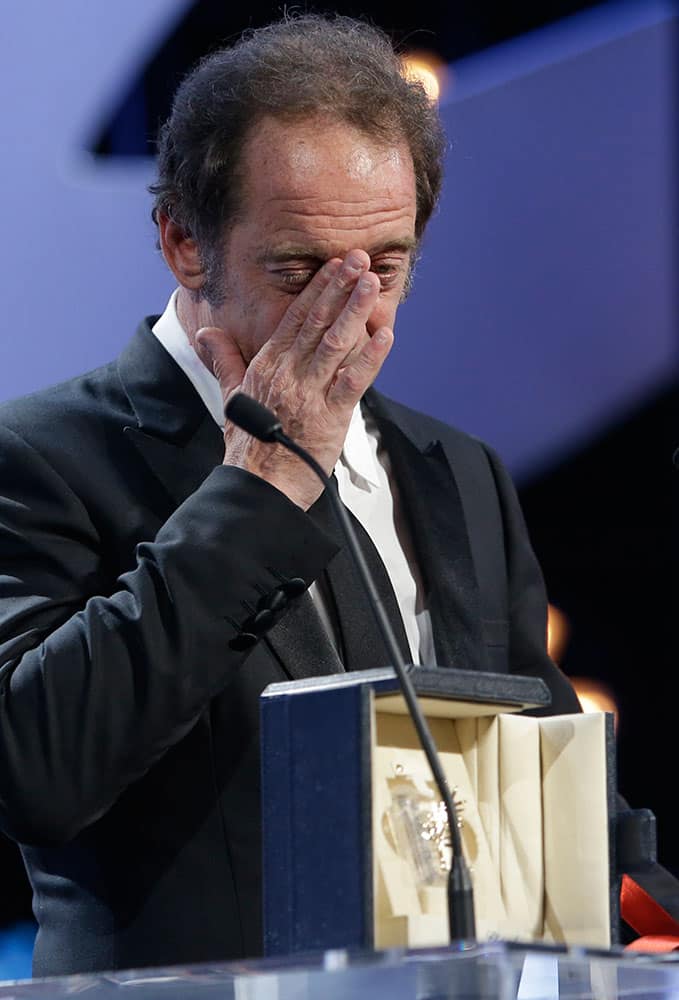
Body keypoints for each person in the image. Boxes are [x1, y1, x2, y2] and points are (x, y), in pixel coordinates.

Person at [0, 13, 580, 977]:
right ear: (185, 242)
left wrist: (645, 916)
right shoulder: (44, 457)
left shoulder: (456, 467)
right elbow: (36, 772)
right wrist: (261, 483)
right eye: (300, 271)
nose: (351, 315)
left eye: (384, 269)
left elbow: (539, 754)